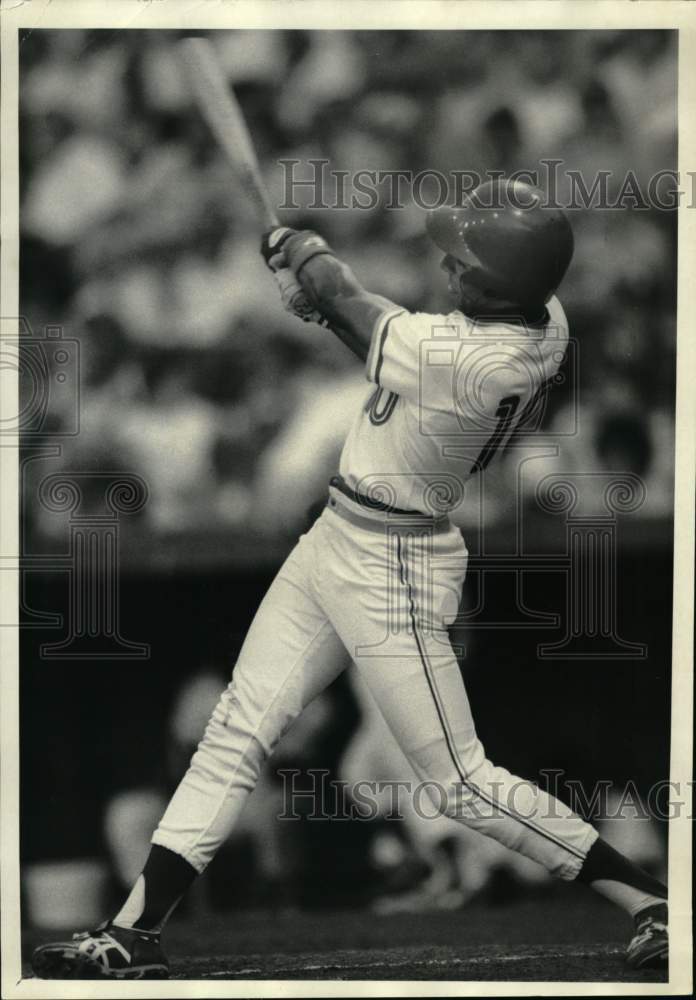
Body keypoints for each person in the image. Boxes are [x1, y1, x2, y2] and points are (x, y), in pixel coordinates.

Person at [32, 179, 668, 979]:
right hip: (338, 534)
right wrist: (323, 305)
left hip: (395, 564)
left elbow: (358, 305)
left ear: (502, 287)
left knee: (458, 781)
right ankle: (134, 931)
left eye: (465, 261)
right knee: (236, 728)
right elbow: (366, 326)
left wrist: (307, 259)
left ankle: (651, 901)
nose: (448, 265)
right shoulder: (539, 319)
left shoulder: (477, 362)